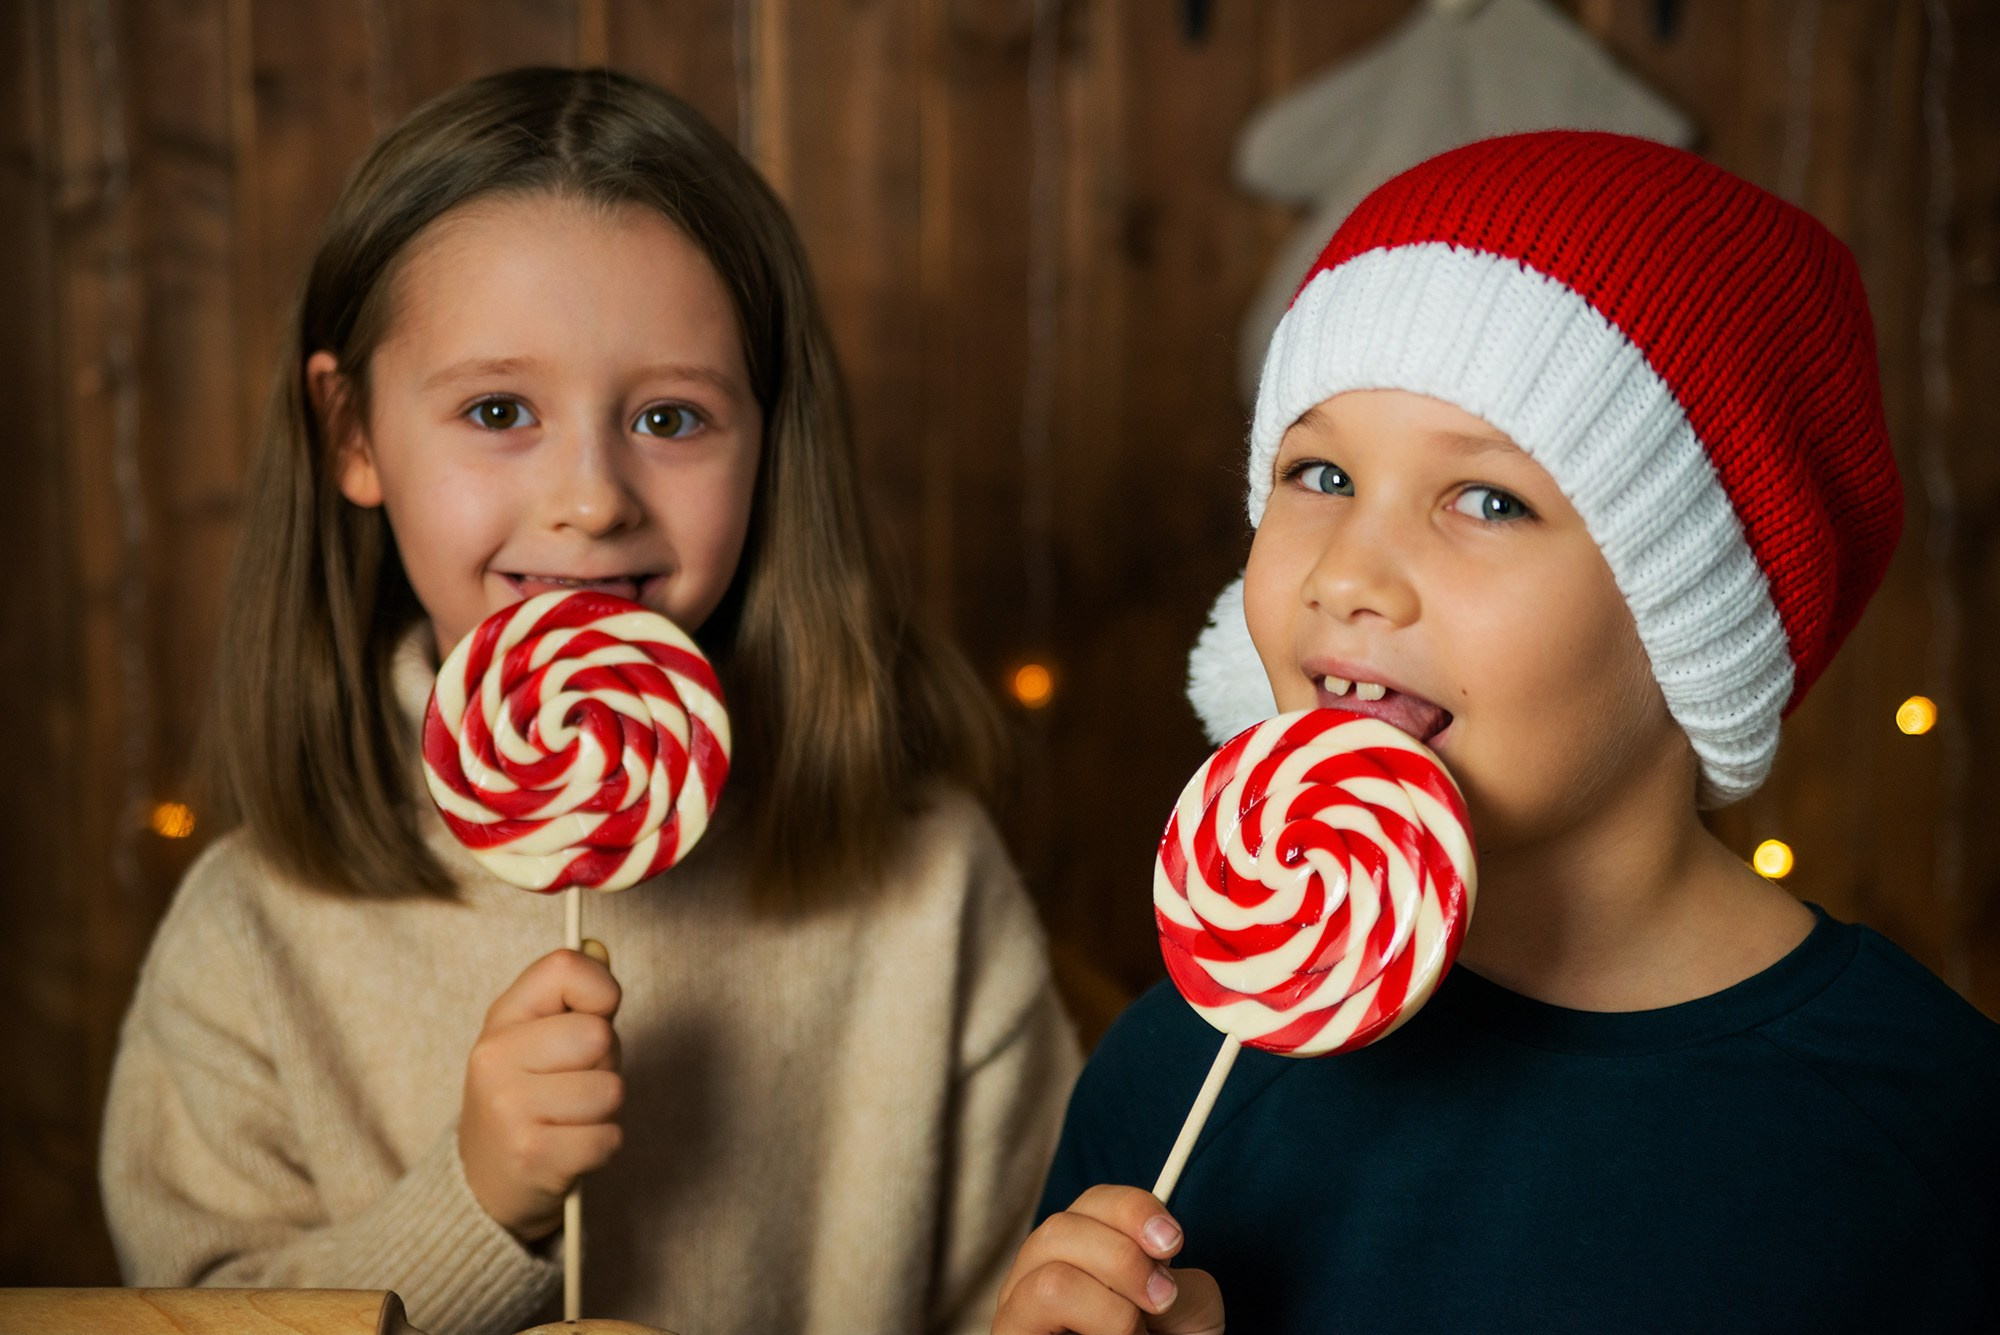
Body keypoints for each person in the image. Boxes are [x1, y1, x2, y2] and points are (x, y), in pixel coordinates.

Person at [100, 67, 1080, 1335]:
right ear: (350, 433)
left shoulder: (927, 884)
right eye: (498, 410)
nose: (590, 497)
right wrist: (476, 1202)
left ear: (770, 441)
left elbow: (1018, 1283)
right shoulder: (253, 931)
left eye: (671, 416)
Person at [991, 131, 2000, 1334]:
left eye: (1486, 500)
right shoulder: (1176, 1072)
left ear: (1693, 613)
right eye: (1316, 475)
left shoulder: (1926, 1132)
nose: (1348, 573)